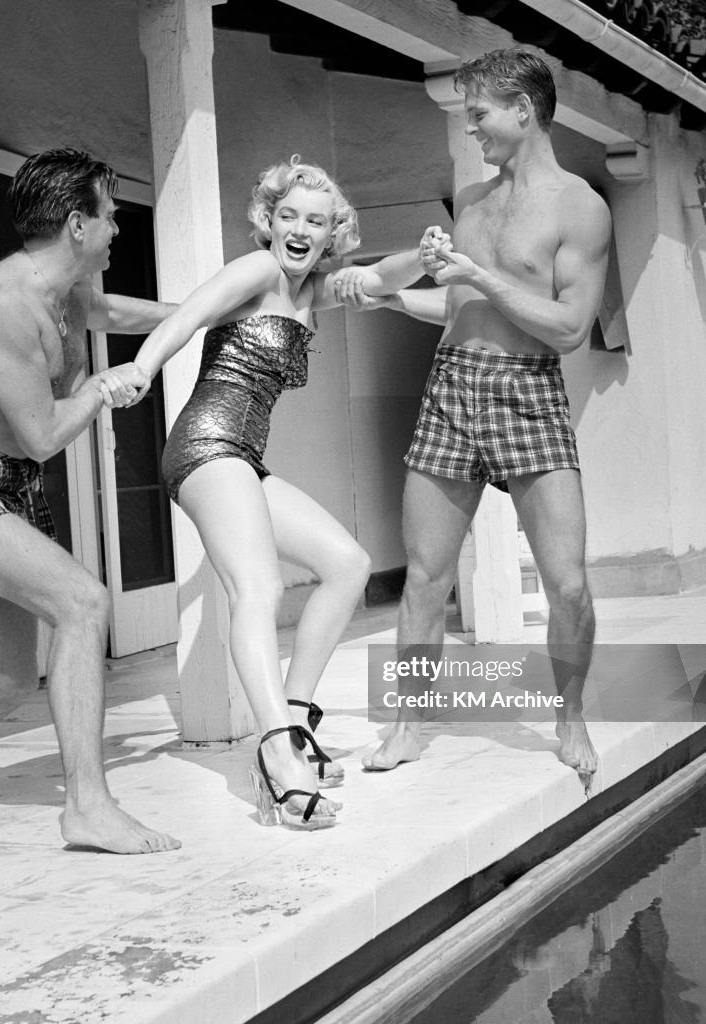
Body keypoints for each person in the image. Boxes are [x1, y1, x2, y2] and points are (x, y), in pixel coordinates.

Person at [0, 148, 181, 853]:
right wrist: (101, 389)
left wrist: (233, 303)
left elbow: (134, 314)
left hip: (3, 485)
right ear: (78, 224)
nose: (117, 230)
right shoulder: (1, 301)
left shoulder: (70, 290)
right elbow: (43, 434)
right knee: (84, 602)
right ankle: (87, 807)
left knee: (11, 679)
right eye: (111, 216)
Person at [132, 156, 427, 829]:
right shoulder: (261, 270)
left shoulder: (311, 290)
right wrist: (144, 367)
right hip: (207, 446)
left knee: (347, 566)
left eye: (316, 221)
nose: (299, 229)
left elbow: (383, 278)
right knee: (258, 590)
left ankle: (294, 719)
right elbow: (190, 316)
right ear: (269, 220)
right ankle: (275, 754)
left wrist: (428, 251)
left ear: (332, 234)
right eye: (288, 215)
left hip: (244, 457)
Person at [358, 49, 610, 792]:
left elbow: (567, 328)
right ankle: (408, 723)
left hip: (529, 392)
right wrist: (396, 299)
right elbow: (463, 305)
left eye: (481, 114)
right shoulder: (470, 201)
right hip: (452, 389)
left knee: (568, 586)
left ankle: (569, 717)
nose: (473, 130)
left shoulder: (580, 207)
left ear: (525, 109)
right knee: (427, 578)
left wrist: (480, 277)